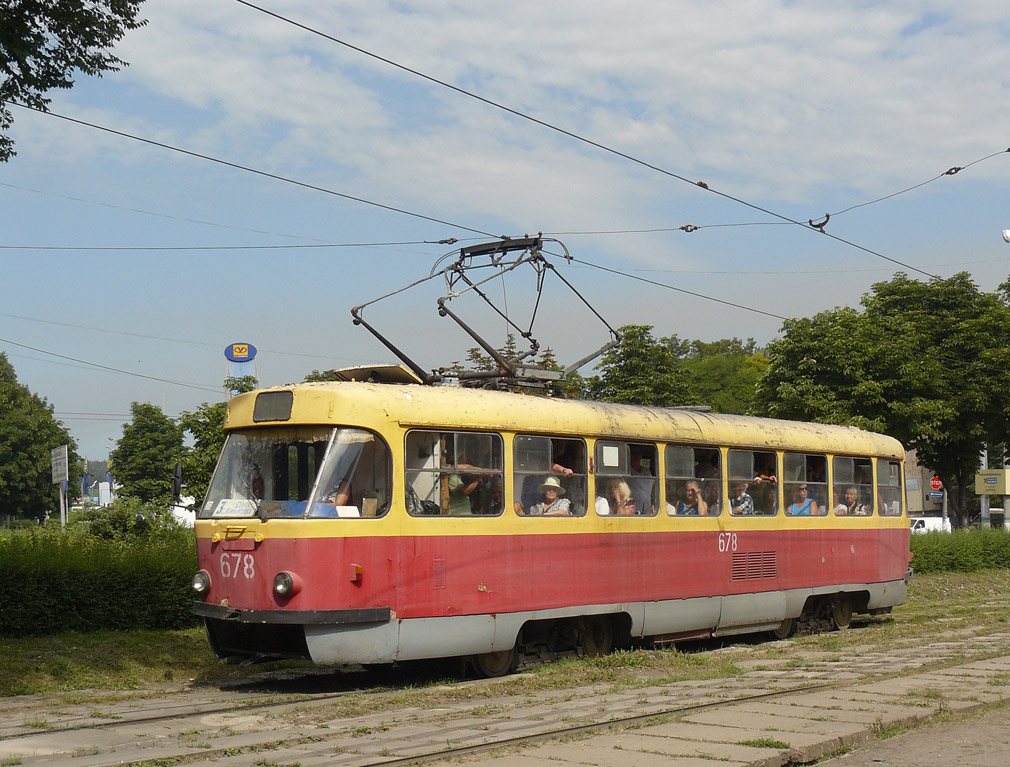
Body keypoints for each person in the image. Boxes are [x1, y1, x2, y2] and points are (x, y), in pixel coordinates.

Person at [627, 444, 655, 513]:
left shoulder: (647, 472)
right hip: (633, 509)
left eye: (638, 453)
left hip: (647, 508)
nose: (636, 456)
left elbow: (652, 489)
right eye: (633, 453)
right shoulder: (627, 471)